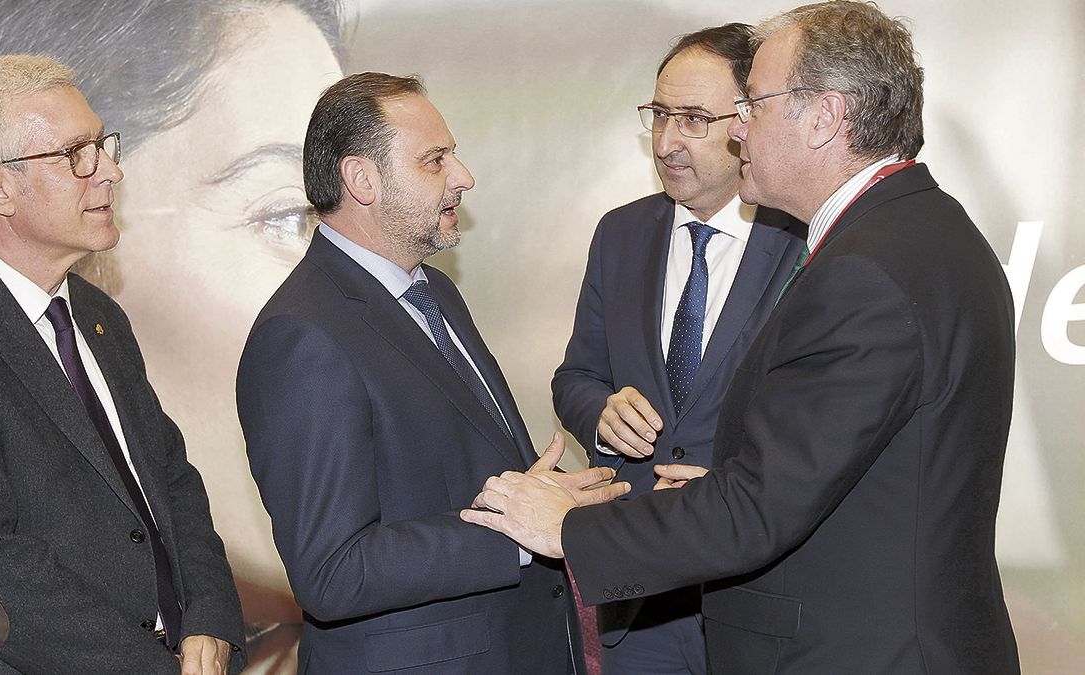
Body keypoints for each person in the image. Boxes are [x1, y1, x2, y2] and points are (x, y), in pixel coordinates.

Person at [463, 2, 1021, 672]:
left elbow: (760, 508)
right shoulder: (924, 229)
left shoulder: (865, 270)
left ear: (825, 117)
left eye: (753, 103)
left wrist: (563, 523)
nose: (739, 131)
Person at [0, 2, 343, 669]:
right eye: (75, 154)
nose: (108, 170)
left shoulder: (97, 315)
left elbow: (171, 481)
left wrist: (211, 619)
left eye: (103, 144)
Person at [237, 72, 627, 673]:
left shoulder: (433, 290)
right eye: (434, 160)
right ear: (361, 179)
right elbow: (333, 573)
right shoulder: (302, 335)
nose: (463, 176)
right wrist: (519, 531)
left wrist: (543, 505)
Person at [551, 23, 805, 674]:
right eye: (660, 115)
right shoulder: (621, 234)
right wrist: (600, 411)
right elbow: (575, 376)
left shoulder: (801, 242)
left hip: (753, 588)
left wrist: (735, 473)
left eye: (693, 119)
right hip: (640, 599)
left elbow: (816, 418)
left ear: (748, 121)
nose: (667, 142)